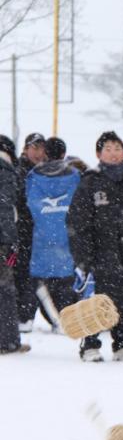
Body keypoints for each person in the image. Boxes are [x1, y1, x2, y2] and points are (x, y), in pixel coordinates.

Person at [67, 131, 123, 362]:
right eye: (108, 149)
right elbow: (77, 222)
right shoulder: (90, 182)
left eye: (117, 149)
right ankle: (90, 344)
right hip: (99, 254)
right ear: (98, 154)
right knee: (95, 301)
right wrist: (83, 256)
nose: (113, 154)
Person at [25, 137, 80, 321]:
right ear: (64, 153)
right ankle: (65, 318)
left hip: (42, 236)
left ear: (45, 153)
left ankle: (49, 317)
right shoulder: (74, 175)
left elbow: (29, 203)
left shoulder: (33, 176)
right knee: (66, 281)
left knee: (42, 279)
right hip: (67, 235)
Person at [14, 132, 47, 332]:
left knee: (34, 276)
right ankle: (21, 317)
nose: (37, 152)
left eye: (41, 148)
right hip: (19, 234)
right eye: (33, 148)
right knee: (19, 273)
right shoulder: (18, 172)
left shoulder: (46, 173)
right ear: (26, 149)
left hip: (40, 234)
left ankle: (26, 316)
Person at [0, 135, 30, 354]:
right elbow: (5, 210)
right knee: (5, 291)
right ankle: (8, 341)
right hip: (1, 239)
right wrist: (10, 241)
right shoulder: (5, 170)